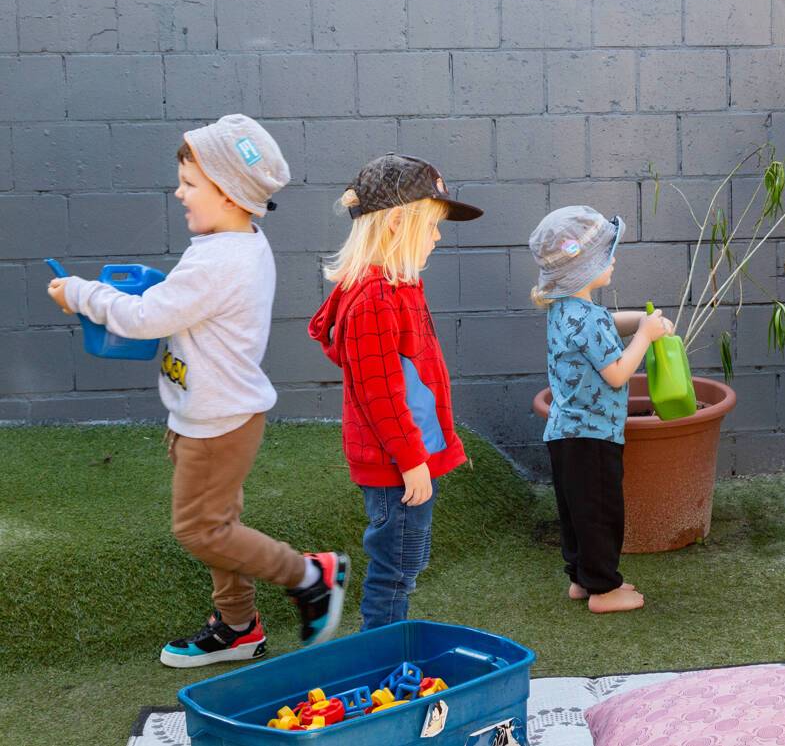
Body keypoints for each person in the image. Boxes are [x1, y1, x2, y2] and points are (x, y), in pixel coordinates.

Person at [47, 115, 347, 666]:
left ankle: (309, 576)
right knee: (218, 527)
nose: (179, 192)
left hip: (216, 424)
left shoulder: (219, 259)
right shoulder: (233, 244)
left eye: (189, 183)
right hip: (207, 415)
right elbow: (182, 305)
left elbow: (144, 318)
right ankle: (239, 627)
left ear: (229, 194)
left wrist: (81, 293)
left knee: (199, 531)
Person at [308, 154, 480, 629]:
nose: (437, 237)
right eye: (431, 226)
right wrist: (410, 460)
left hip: (411, 456)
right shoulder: (375, 299)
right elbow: (379, 393)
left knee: (406, 562)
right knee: (395, 570)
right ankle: (381, 653)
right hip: (398, 465)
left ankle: (388, 646)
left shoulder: (400, 286)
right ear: (397, 223)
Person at [529, 206, 674, 614]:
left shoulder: (566, 310)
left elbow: (607, 322)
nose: (613, 260)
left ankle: (582, 578)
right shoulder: (588, 320)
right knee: (600, 513)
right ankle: (603, 591)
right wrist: (645, 337)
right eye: (606, 255)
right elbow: (617, 373)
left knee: (577, 513)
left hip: (565, 433)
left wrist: (643, 321)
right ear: (584, 268)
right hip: (593, 435)